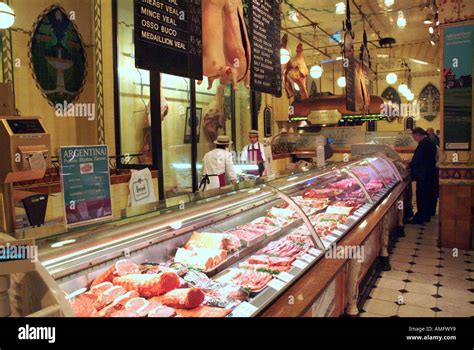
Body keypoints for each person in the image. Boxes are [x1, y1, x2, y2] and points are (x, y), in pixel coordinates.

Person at [408, 127, 438, 225]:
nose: (414, 139)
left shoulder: (424, 143)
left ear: (418, 134)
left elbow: (418, 160)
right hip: (429, 174)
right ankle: (426, 215)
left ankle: (421, 217)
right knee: (427, 196)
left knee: (422, 196)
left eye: (414, 137)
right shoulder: (429, 141)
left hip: (424, 176)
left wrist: (409, 164)